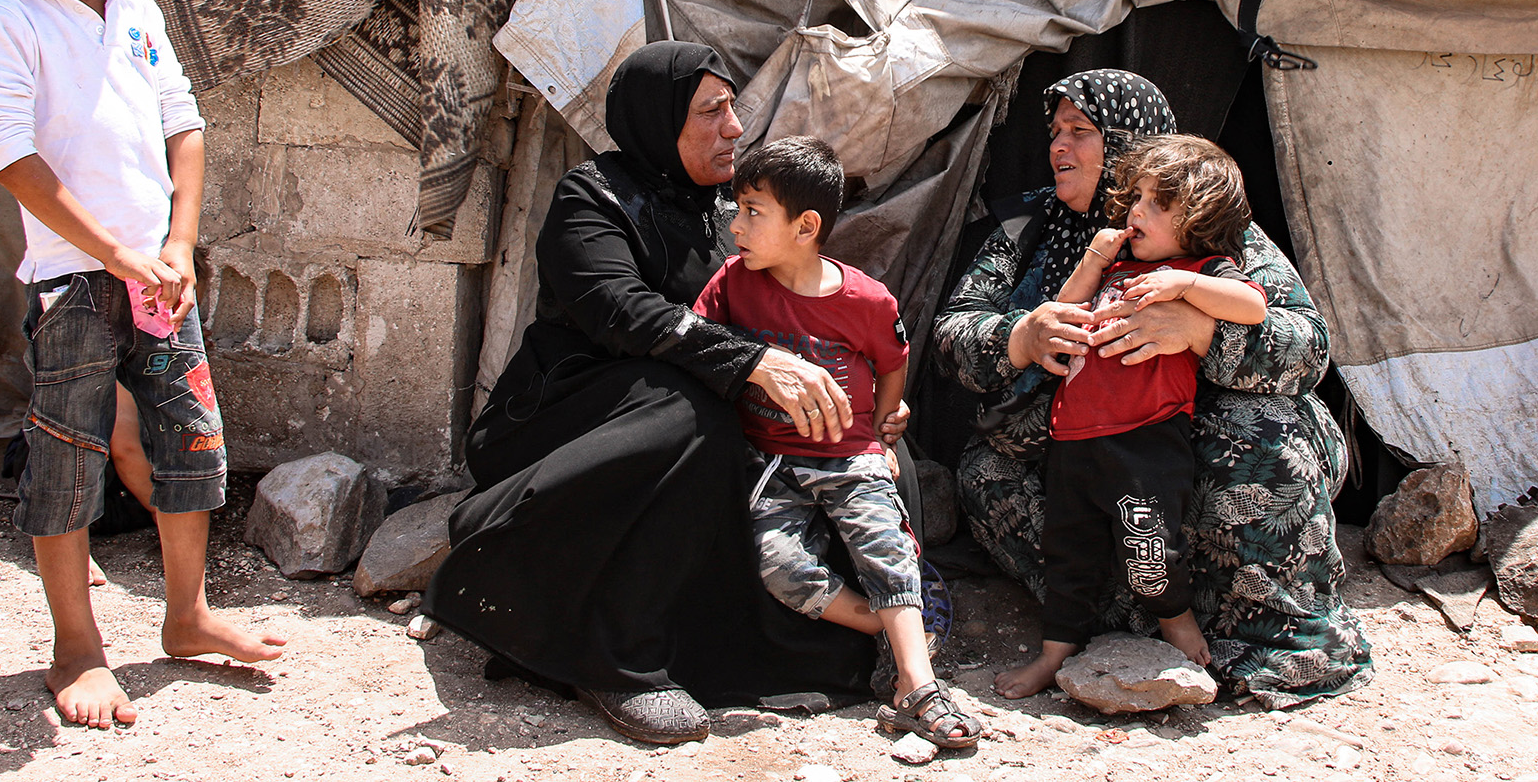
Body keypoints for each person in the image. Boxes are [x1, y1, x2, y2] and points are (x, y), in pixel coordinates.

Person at [422, 43, 896, 745]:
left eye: (733, 107)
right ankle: (613, 655)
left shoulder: (729, 211)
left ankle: (866, 626)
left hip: (702, 415)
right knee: (688, 413)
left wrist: (862, 400)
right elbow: (621, 310)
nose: (736, 126)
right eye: (712, 111)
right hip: (577, 418)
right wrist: (756, 364)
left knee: (858, 444)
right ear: (657, 120)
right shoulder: (592, 198)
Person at [0, 0, 286, 729]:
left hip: (159, 282)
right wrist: (119, 254)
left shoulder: (136, 8)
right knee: (67, 460)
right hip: (73, 286)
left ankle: (187, 616)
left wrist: (176, 244)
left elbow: (185, 123)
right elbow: (11, 157)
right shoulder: (5, 19)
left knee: (190, 444)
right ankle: (78, 646)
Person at [934, 70, 1372, 707]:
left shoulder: (1206, 227)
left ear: (1125, 144)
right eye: (1055, 133)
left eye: (1080, 133)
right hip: (1078, 433)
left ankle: (1266, 632)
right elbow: (952, 331)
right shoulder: (1028, 228)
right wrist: (1020, 338)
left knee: (1260, 432)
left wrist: (1199, 331)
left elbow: (1308, 347)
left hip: (1183, 433)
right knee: (987, 474)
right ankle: (1128, 618)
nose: (1060, 147)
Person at [695, 136, 981, 749]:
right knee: (776, 562)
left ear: (806, 226)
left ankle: (919, 687)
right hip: (770, 462)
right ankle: (891, 623)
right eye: (736, 208)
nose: (735, 225)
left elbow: (893, 363)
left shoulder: (867, 300)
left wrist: (882, 428)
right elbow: (699, 343)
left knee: (883, 539)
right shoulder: (732, 285)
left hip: (850, 457)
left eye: (752, 211)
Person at [995, 134, 1267, 698]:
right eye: (1136, 196)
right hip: (1073, 438)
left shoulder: (1203, 267)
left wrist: (1188, 283)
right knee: (1066, 551)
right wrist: (1095, 259)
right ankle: (1055, 653)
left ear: (1197, 219)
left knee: (1149, 541)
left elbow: (1254, 306)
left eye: (1156, 204)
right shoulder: (1116, 265)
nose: (1135, 210)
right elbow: (1067, 309)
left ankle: (1174, 617)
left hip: (1144, 441)